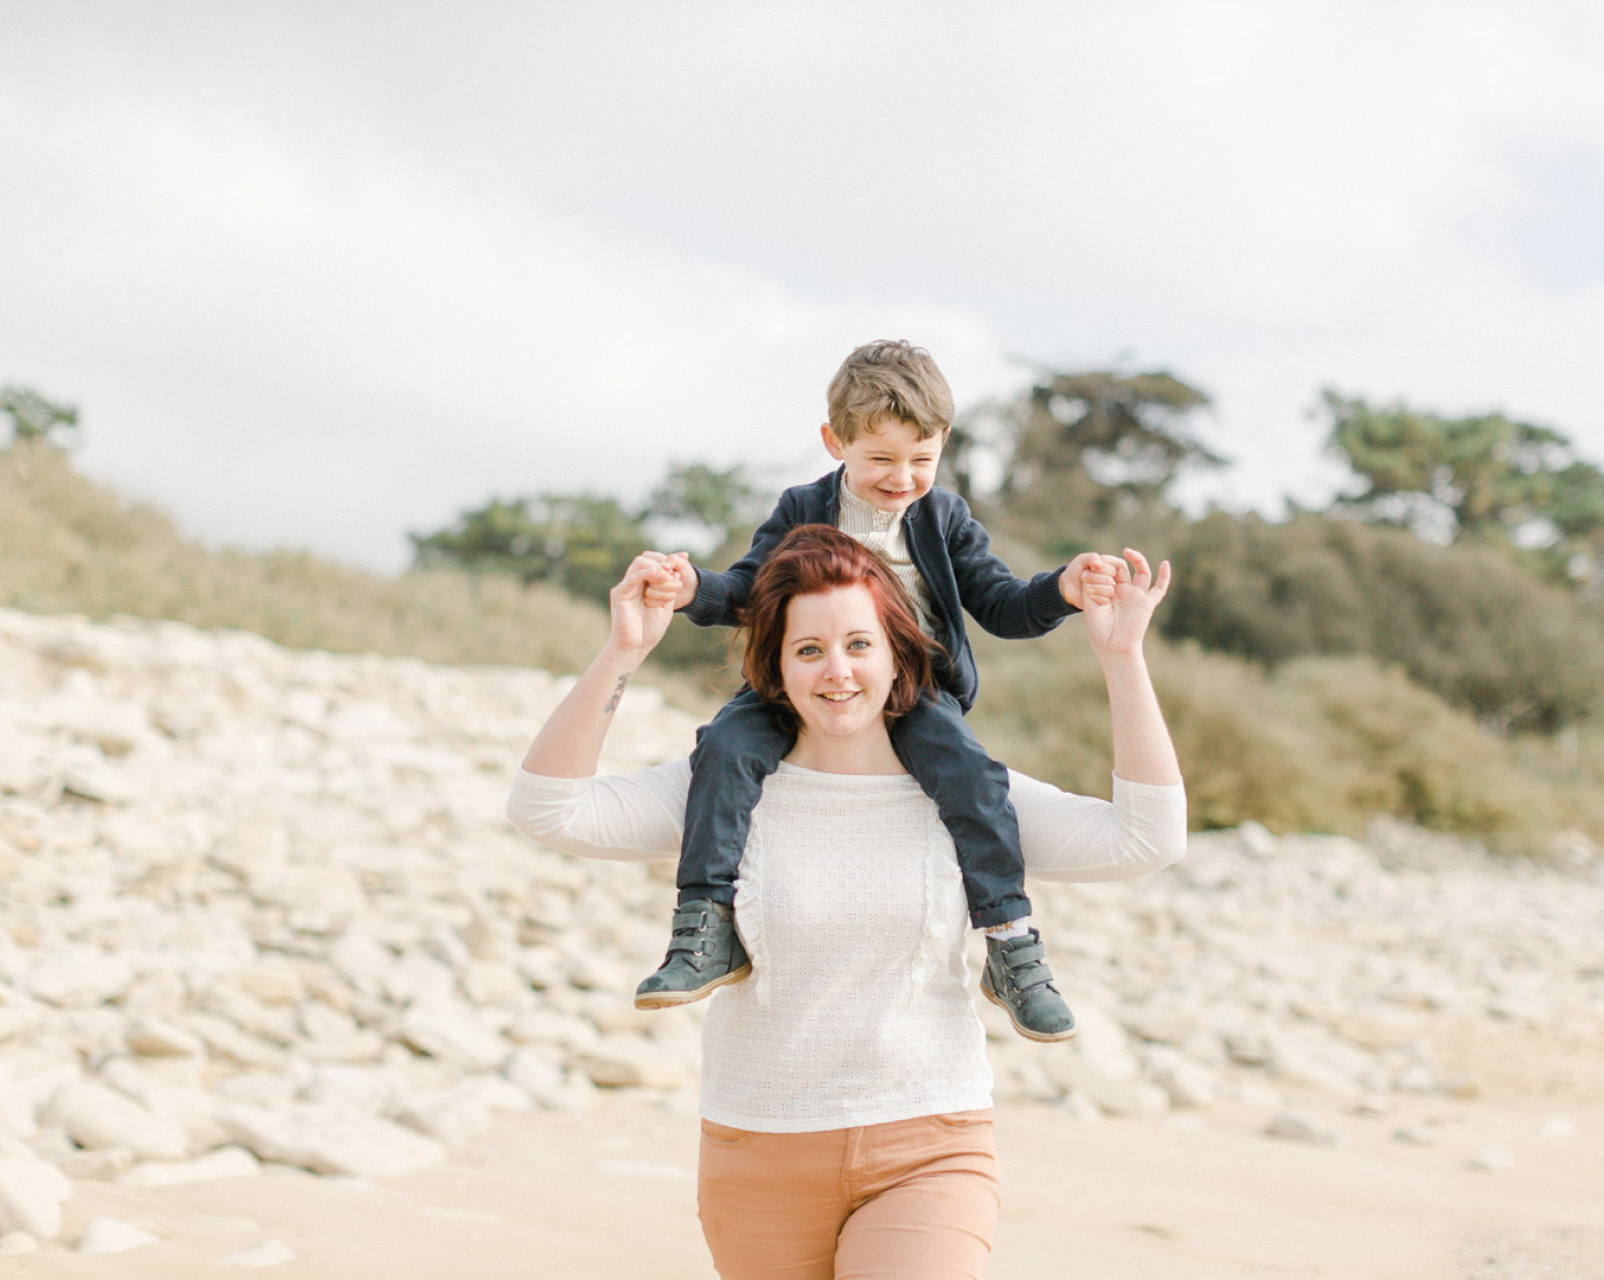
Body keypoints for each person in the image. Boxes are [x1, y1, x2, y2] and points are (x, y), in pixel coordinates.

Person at [507, 525, 1186, 1280]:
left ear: (897, 652)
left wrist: (1122, 659)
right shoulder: (721, 789)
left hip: (929, 1143)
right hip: (757, 1146)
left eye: (860, 645)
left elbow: (1145, 840)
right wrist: (623, 652)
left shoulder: (970, 794)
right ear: (777, 665)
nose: (837, 671)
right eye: (809, 650)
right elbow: (548, 811)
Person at [632, 339, 1121, 1041]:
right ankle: (706, 927)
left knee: (974, 776)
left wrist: (1062, 589)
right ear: (836, 442)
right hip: (798, 678)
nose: (903, 478)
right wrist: (691, 589)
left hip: (911, 684)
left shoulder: (943, 519)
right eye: (881, 460)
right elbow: (746, 591)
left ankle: (1011, 944)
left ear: (943, 444)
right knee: (725, 747)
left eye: (922, 460)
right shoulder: (803, 506)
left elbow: (1003, 605)